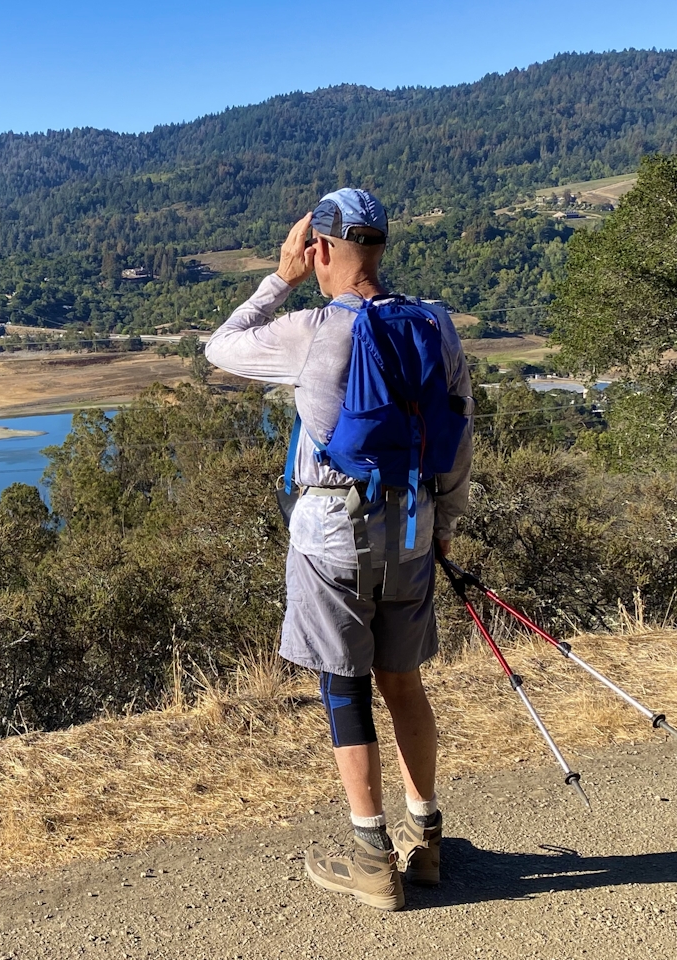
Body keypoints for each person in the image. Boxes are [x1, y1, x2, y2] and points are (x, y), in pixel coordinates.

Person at [204, 188, 473, 911]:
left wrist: (279, 278)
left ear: (318, 247)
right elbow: (458, 435)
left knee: (344, 689)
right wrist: (443, 523)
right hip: (413, 533)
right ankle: (427, 839)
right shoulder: (437, 325)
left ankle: (371, 859)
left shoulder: (315, 328)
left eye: (307, 251)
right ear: (380, 246)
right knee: (404, 683)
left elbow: (219, 346)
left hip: (332, 539)